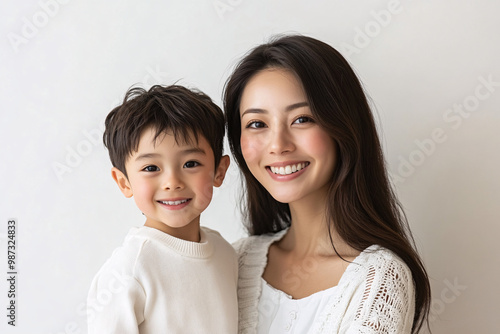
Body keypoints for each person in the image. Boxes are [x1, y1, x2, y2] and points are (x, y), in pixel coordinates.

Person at [224, 35, 431, 333]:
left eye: (302, 119)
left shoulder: (380, 277)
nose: (278, 145)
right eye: (257, 124)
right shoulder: (233, 261)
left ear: (343, 127)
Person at [87, 85, 237, 333]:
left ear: (219, 171)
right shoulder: (128, 271)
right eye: (151, 168)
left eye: (191, 163)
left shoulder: (225, 254)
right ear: (124, 182)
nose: (172, 182)